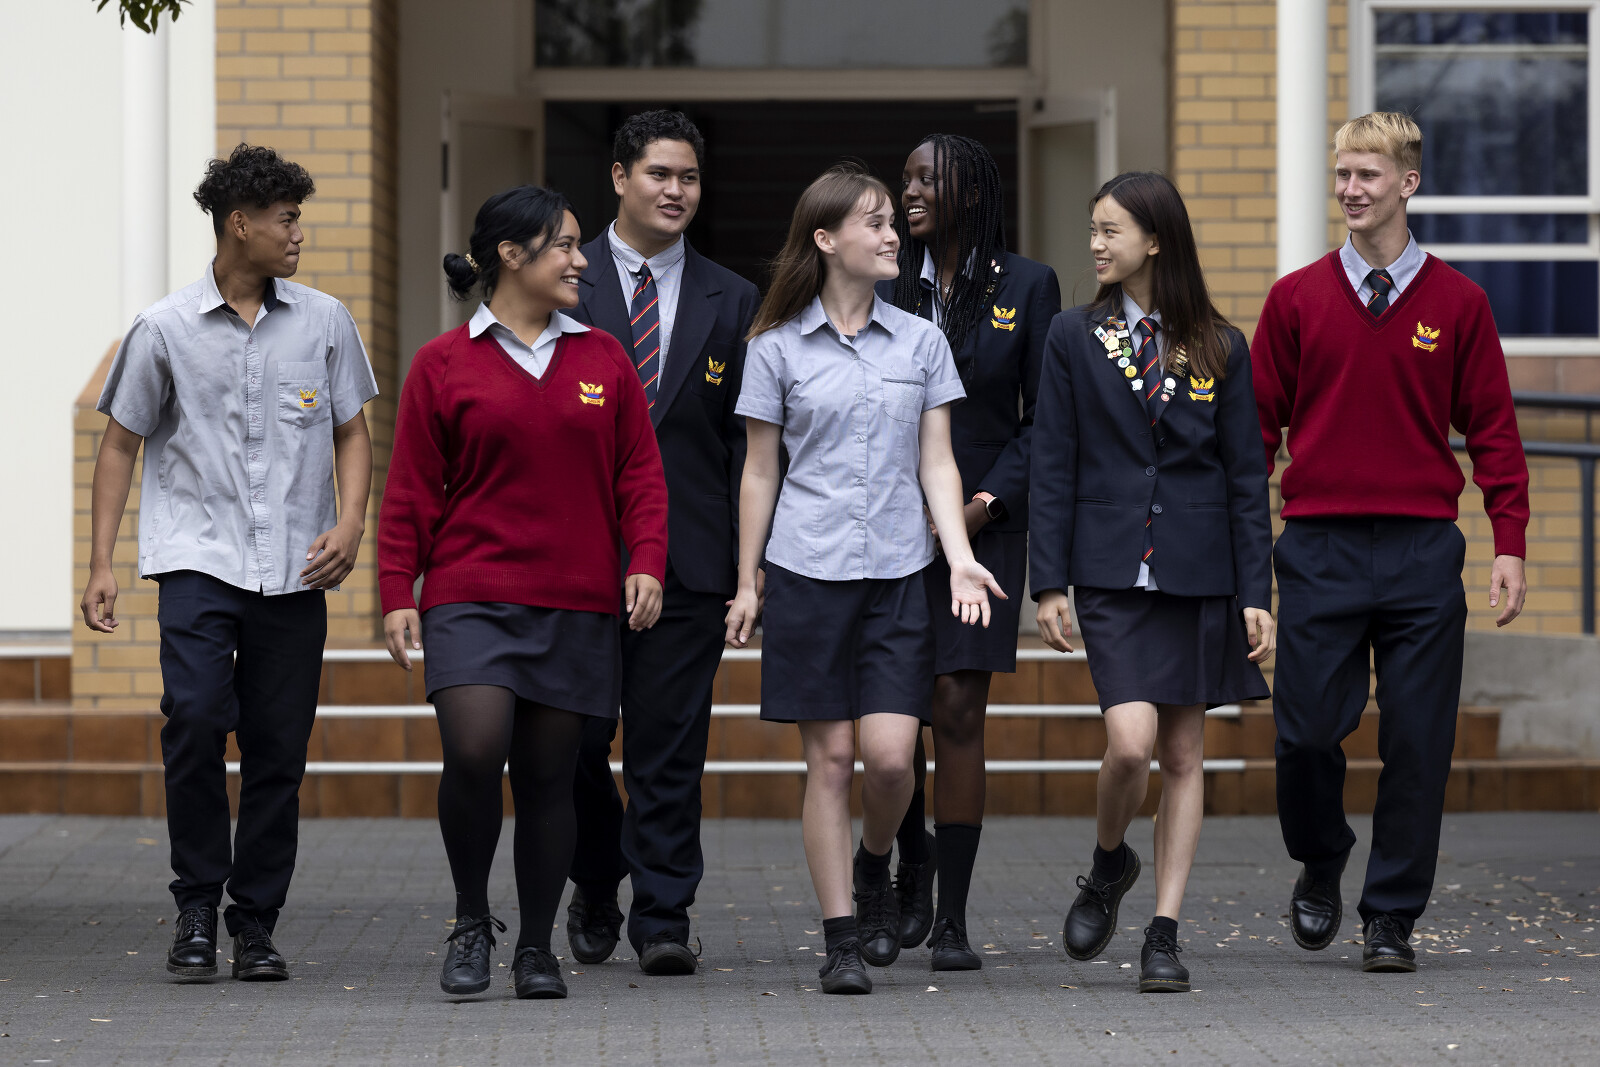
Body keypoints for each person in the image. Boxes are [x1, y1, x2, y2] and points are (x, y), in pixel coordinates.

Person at [80, 144, 378, 982]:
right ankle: (197, 904)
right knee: (196, 719)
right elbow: (120, 443)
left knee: (279, 749)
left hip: (295, 569)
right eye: (287, 220)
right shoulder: (164, 328)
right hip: (197, 562)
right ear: (239, 224)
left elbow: (353, 430)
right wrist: (101, 562)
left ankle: (255, 922)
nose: (298, 235)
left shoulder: (325, 321)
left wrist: (352, 522)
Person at [1253, 112, 1529, 974]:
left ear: (1407, 183)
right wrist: (1239, 552)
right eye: (1342, 173)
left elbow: (1494, 431)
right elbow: (1254, 434)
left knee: (1418, 742)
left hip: (1420, 553)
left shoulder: (1460, 304)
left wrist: (1510, 540)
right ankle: (1321, 854)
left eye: (1367, 174)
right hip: (1318, 548)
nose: (1350, 189)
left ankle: (1392, 916)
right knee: (1304, 735)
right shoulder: (1295, 299)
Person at [378, 186, 669, 1000]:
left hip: (576, 600)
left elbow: (641, 476)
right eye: (565, 245)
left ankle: (536, 947)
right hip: (469, 594)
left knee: (550, 776)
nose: (581, 260)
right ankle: (472, 919)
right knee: (475, 749)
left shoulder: (605, 358)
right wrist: (398, 587)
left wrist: (646, 558)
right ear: (511, 255)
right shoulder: (442, 363)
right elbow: (411, 490)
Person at [726, 162, 1004, 995]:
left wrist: (959, 554)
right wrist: (748, 580)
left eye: (892, 221)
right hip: (806, 571)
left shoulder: (921, 342)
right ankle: (841, 937)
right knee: (833, 760)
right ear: (825, 238)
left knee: (888, 762)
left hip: (897, 572)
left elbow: (937, 462)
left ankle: (875, 858)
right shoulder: (775, 347)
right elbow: (760, 472)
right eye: (875, 223)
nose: (893, 235)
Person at [1031, 171, 1275, 994]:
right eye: (1093, 229)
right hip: (1108, 572)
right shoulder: (1071, 334)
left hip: (1198, 573)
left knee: (1183, 751)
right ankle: (1110, 862)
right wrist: (1048, 582)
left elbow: (1245, 477)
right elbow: (1053, 460)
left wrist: (1256, 593)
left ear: (1156, 240)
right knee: (1130, 743)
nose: (1095, 244)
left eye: (1110, 230)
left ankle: (1164, 931)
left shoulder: (1219, 344)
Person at [563, 110, 760, 976]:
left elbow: (746, 444)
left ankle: (663, 912)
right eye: (658, 174)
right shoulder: (563, 279)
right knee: (572, 740)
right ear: (619, 177)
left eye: (688, 177)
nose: (675, 191)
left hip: (688, 557)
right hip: (573, 556)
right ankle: (595, 873)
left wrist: (748, 567)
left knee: (669, 747)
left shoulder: (734, 298)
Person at [879, 133, 1061, 969]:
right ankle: (908, 854)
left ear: (973, 191)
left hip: (985, 528)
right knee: (895, 708)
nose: (911, 192)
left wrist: (983, 505)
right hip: (886, 526)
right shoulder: (882, 278)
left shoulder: (1027, 285)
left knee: (955, 707)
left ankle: (950, 917)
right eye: (906, 179)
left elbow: (1042, 419)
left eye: (929, 178)